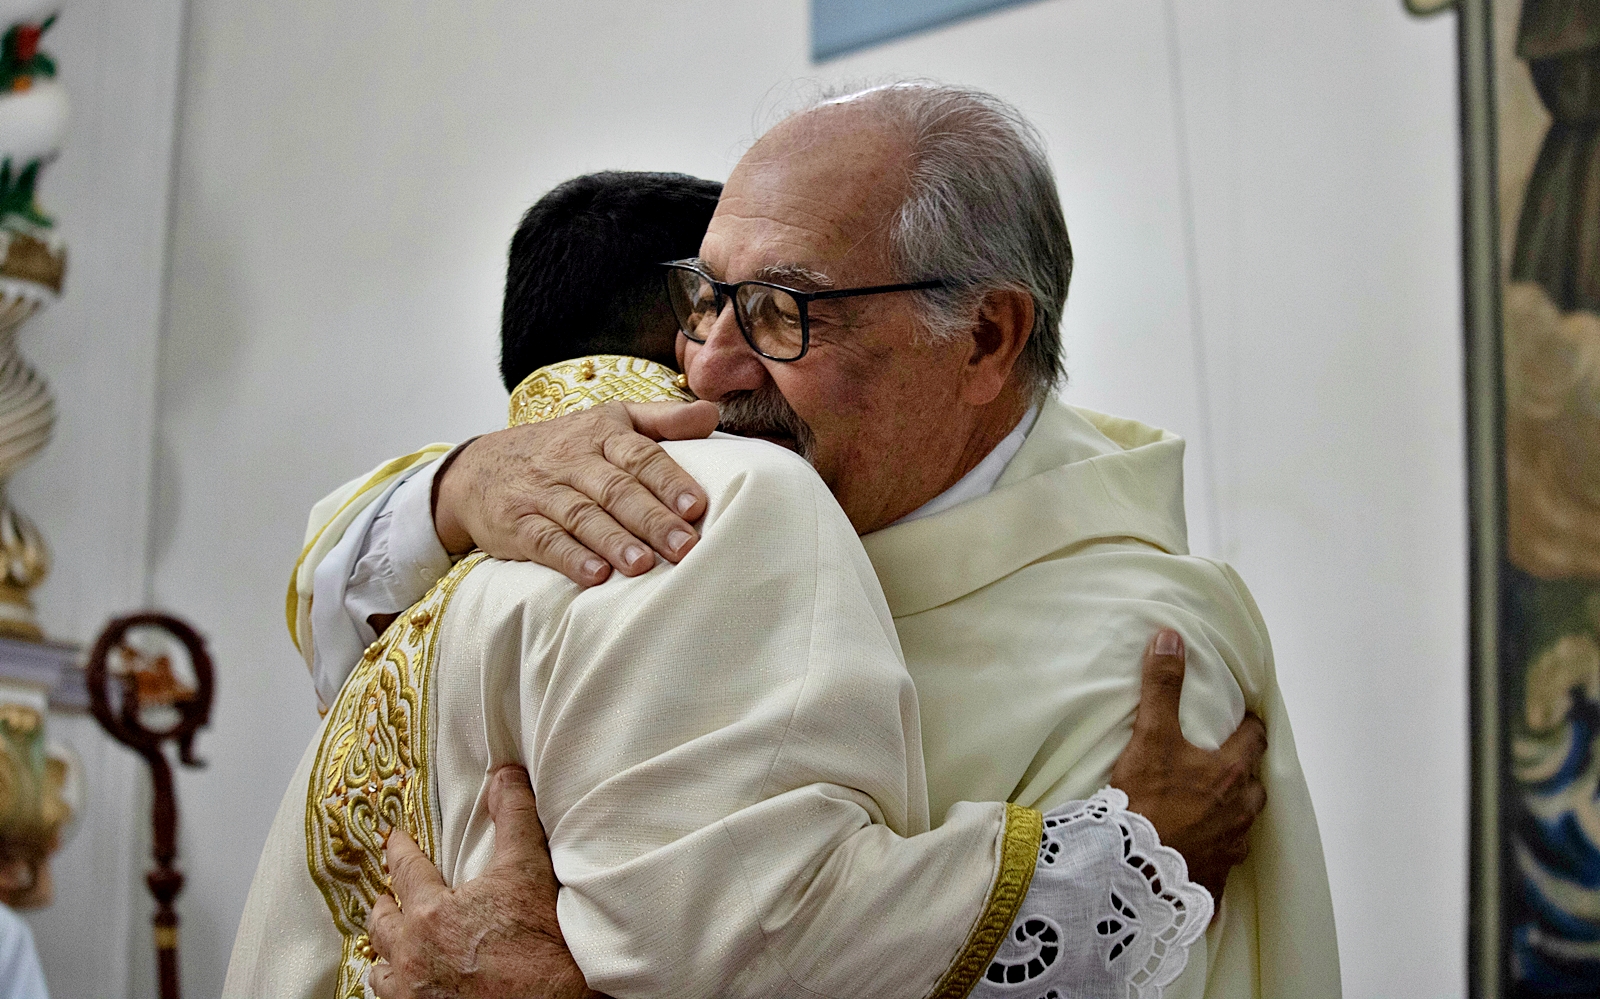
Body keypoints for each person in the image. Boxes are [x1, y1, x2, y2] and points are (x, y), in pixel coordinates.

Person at [301, 85, 1341, 999]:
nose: (709, 370)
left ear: (983, 338)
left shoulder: (1132, 662)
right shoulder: (692, 506)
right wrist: (460, 483)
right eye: (706, 298)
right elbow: (354, 613)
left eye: (782, 312)